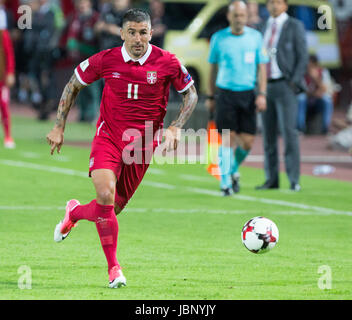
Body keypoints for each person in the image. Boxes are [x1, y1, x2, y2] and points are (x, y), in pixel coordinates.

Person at [46, 8, 198, 288]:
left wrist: (176, 126)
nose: (137, 38)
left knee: (111, 209)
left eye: (143, 32)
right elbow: (73, 85)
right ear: (122, 33)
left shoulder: (167, 62)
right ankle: (114, 268)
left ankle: (75, 213)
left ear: (151, 33)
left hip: (142, 147)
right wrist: (59, 126)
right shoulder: (107, 59)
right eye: (132, 32)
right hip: (110, 138)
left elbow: (190, 93)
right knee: (104, 194)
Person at [205, 0, 268, 196]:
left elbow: (261, 68)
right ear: (229, 16)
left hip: (248, 93)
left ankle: (231, 169)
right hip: (225, 93)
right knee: (227, 139)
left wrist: (262, 94)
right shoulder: (218, 38)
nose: (239, 18)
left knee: (247, 142)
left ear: (247, 16)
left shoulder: (256, 38)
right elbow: (212, 68)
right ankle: (225, 184)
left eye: (242, 15)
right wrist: (210, 95)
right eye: (235, 15)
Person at [256, 0, 308, 192]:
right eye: (270, 2)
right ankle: (271, 179)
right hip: (265, 86)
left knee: (289, 134)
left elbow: (303, 56)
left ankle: (294, 179)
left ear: (285, 5)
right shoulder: (262, 25)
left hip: (285, 84)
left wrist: (293, 82)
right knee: (268, 136)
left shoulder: (295, 26)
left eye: (278, 2)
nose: (274, 6)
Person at [65, 0, 100, 123]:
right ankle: (84, 115)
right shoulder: (76, 18)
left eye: (83, 3)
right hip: (80, 59)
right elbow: (71, 36)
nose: (81, 5)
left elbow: (98, 38)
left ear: (90, 4)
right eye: (79, 3)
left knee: (94, 89)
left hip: (94, 59)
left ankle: (96, 115)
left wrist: (78, 46)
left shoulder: (96, 18)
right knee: (81, 87)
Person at [297, 54, 334, 134]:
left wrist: (316, 78)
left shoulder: (323, 72)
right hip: (307, 98)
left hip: (318, 99)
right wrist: (313, 94)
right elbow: (302, 90)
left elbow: (325, 89)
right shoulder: (302, 73)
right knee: (301, 99)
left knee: (327, 100)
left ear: (315, 64)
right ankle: (300, 129)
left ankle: (325, 129)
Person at [0, 24, 15, 148]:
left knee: (4, 105)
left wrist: (10, 72)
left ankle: (8, 135)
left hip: (1, 77)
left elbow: (9, 53)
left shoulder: (2, 33)